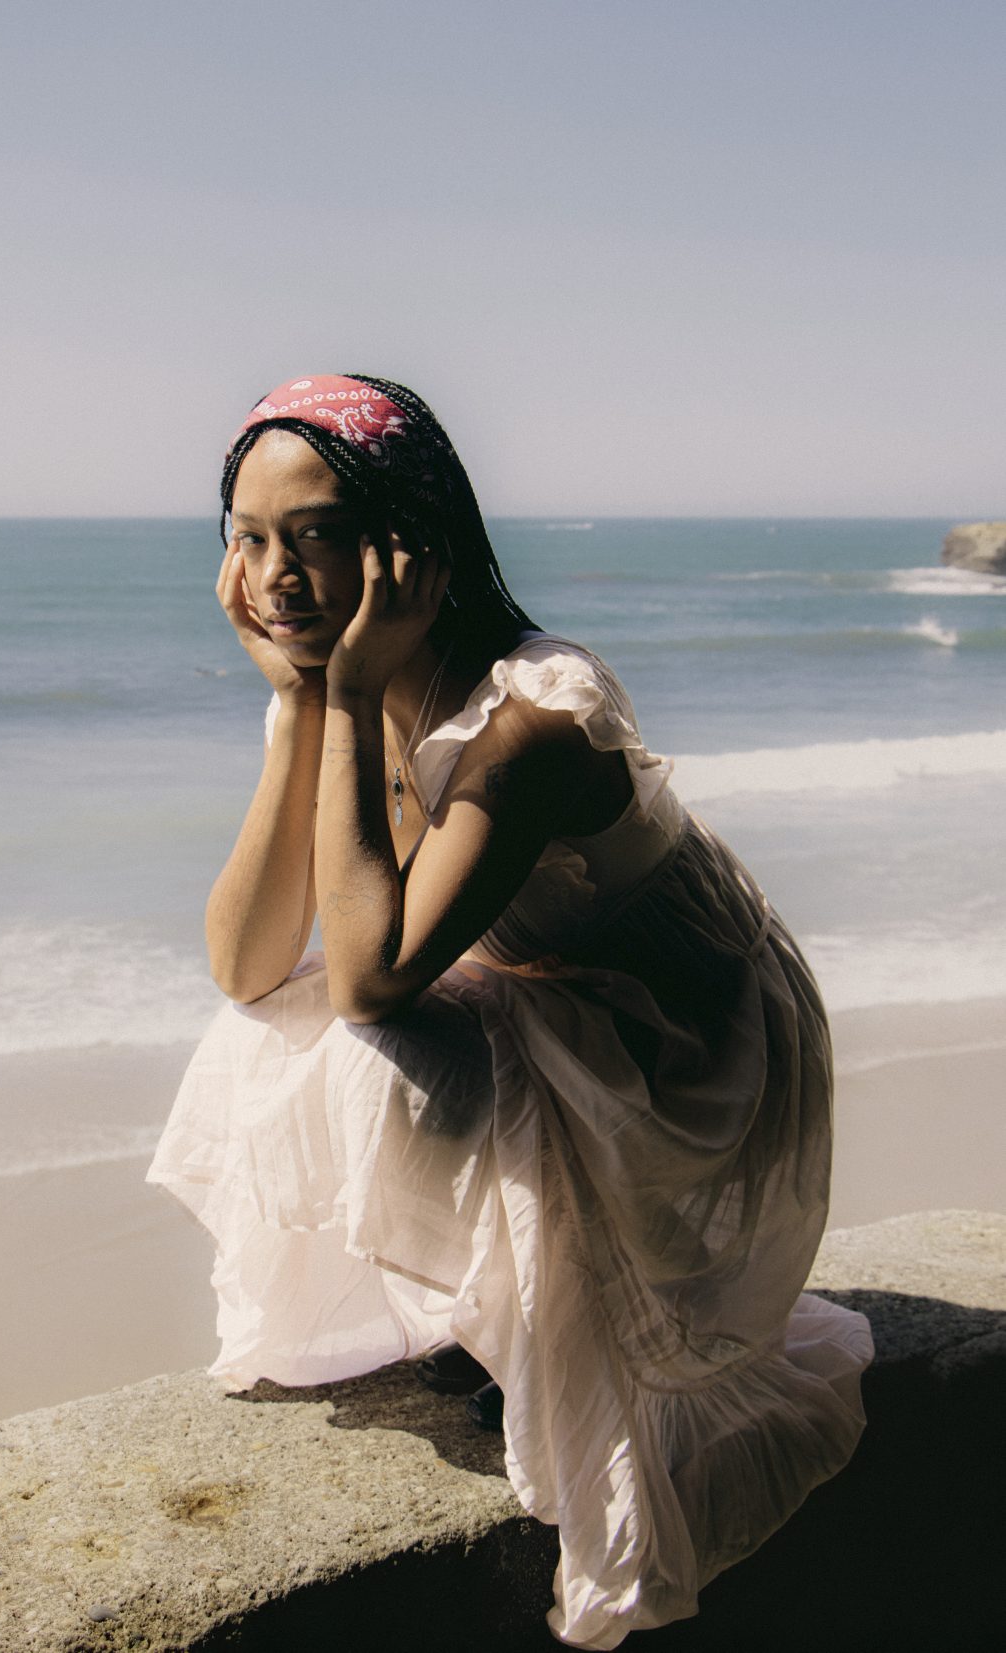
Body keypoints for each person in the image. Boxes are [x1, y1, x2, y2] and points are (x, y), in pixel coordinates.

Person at [148, 374, 873, 1649]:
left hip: (694, 1052)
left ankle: (526, 1339)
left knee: (369, 1044)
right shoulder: (348, 687)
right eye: (247, 538)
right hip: (558, 1003)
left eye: (313, 531)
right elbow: (247, 963)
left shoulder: (531, 715)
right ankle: (484, 1324)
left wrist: (347, 694)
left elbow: (373, 977)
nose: (274, 575)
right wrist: (309, 705)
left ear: (407, 540)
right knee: (268, 1032)